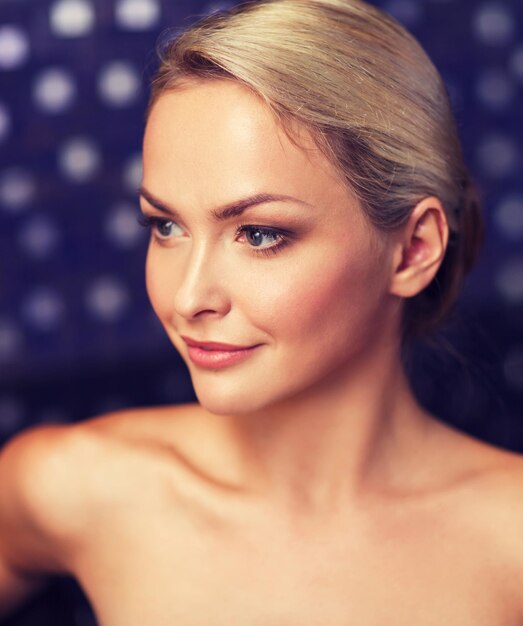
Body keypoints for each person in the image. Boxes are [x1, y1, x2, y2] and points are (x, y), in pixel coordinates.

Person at [1, 0, 523, 623]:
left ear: (413, 250)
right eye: (166, 225)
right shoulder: (74, 487)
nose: (189, 298)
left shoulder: (508, 541)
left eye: (259, 234)